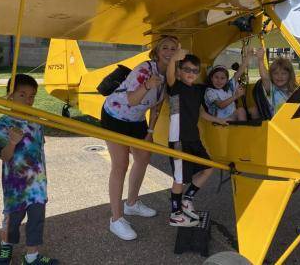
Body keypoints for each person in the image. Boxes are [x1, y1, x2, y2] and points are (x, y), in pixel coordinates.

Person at [101, 35, 178, 240]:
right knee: (120, 164)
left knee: (143, 158)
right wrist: (147, 85)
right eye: (166, 48)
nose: (169, 52)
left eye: (174, 49)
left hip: (136, 120)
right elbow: (133, 100)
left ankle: (132, 204)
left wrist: (150, 132)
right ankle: (116, 220)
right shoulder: (145, 69)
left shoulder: (169, 76)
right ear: (157, 51)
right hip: (115, 115)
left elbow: (157, 106)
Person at [0, 74, 58, 265]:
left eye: (32, 96)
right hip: (15, 186)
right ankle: (6, 247)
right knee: (12, 219)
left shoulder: (36, 121)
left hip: (37, 184)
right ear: (10, 96)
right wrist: (12, 142)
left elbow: (39, 147)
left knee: (36, 220)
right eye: (22, 95)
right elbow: (3, 156)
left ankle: (32, 256)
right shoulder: (4, 123)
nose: (28, 100)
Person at [166, 47, 227, 226]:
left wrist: (219, 120)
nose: (191, 73)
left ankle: (187, 199)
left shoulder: (197, 91)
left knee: (208, 167)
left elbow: (202, 113)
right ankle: (175, 214)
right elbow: (169, 75)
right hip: (178, 139)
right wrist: (174, 59)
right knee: (180, 178)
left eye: (194, 70)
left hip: (194, 138)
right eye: (187, 70)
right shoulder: (175, 87)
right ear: (179, 71)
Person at [204, 51, 249, 121]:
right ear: (211, 78)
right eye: (216, 77)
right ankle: (246, 131)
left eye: (222, 78)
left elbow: (240, 71)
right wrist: (236, 96)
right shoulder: (210, 91)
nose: (219, 81)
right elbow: (221, 105)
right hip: (220, 121)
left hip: (232, 117)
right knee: (240, 110)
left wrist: (248, 55)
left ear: (227, 80)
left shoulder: (229, 86)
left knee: (254, 110)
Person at [252, 47, 297, 118]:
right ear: (271, 76)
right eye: (276, 73)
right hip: (276, 126)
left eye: (284, 73)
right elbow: (265, 78)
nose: (279, 76)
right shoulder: (272, 89)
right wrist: (260, 60)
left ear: (289, 75)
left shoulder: (295, 90)